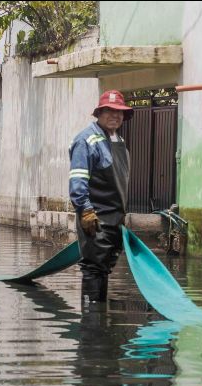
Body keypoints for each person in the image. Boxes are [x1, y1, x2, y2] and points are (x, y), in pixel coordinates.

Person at [69, 90, 132, 305]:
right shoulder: (85, 140)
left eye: (119, 112)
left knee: (104, 267)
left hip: (116, 220)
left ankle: (99, 323)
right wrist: (85, 211)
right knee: (94, 268)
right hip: (95, 218)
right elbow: (78, 181)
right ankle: (92, 325)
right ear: (99, 113)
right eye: (109, 111)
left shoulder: (118, 140)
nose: (115, 116)